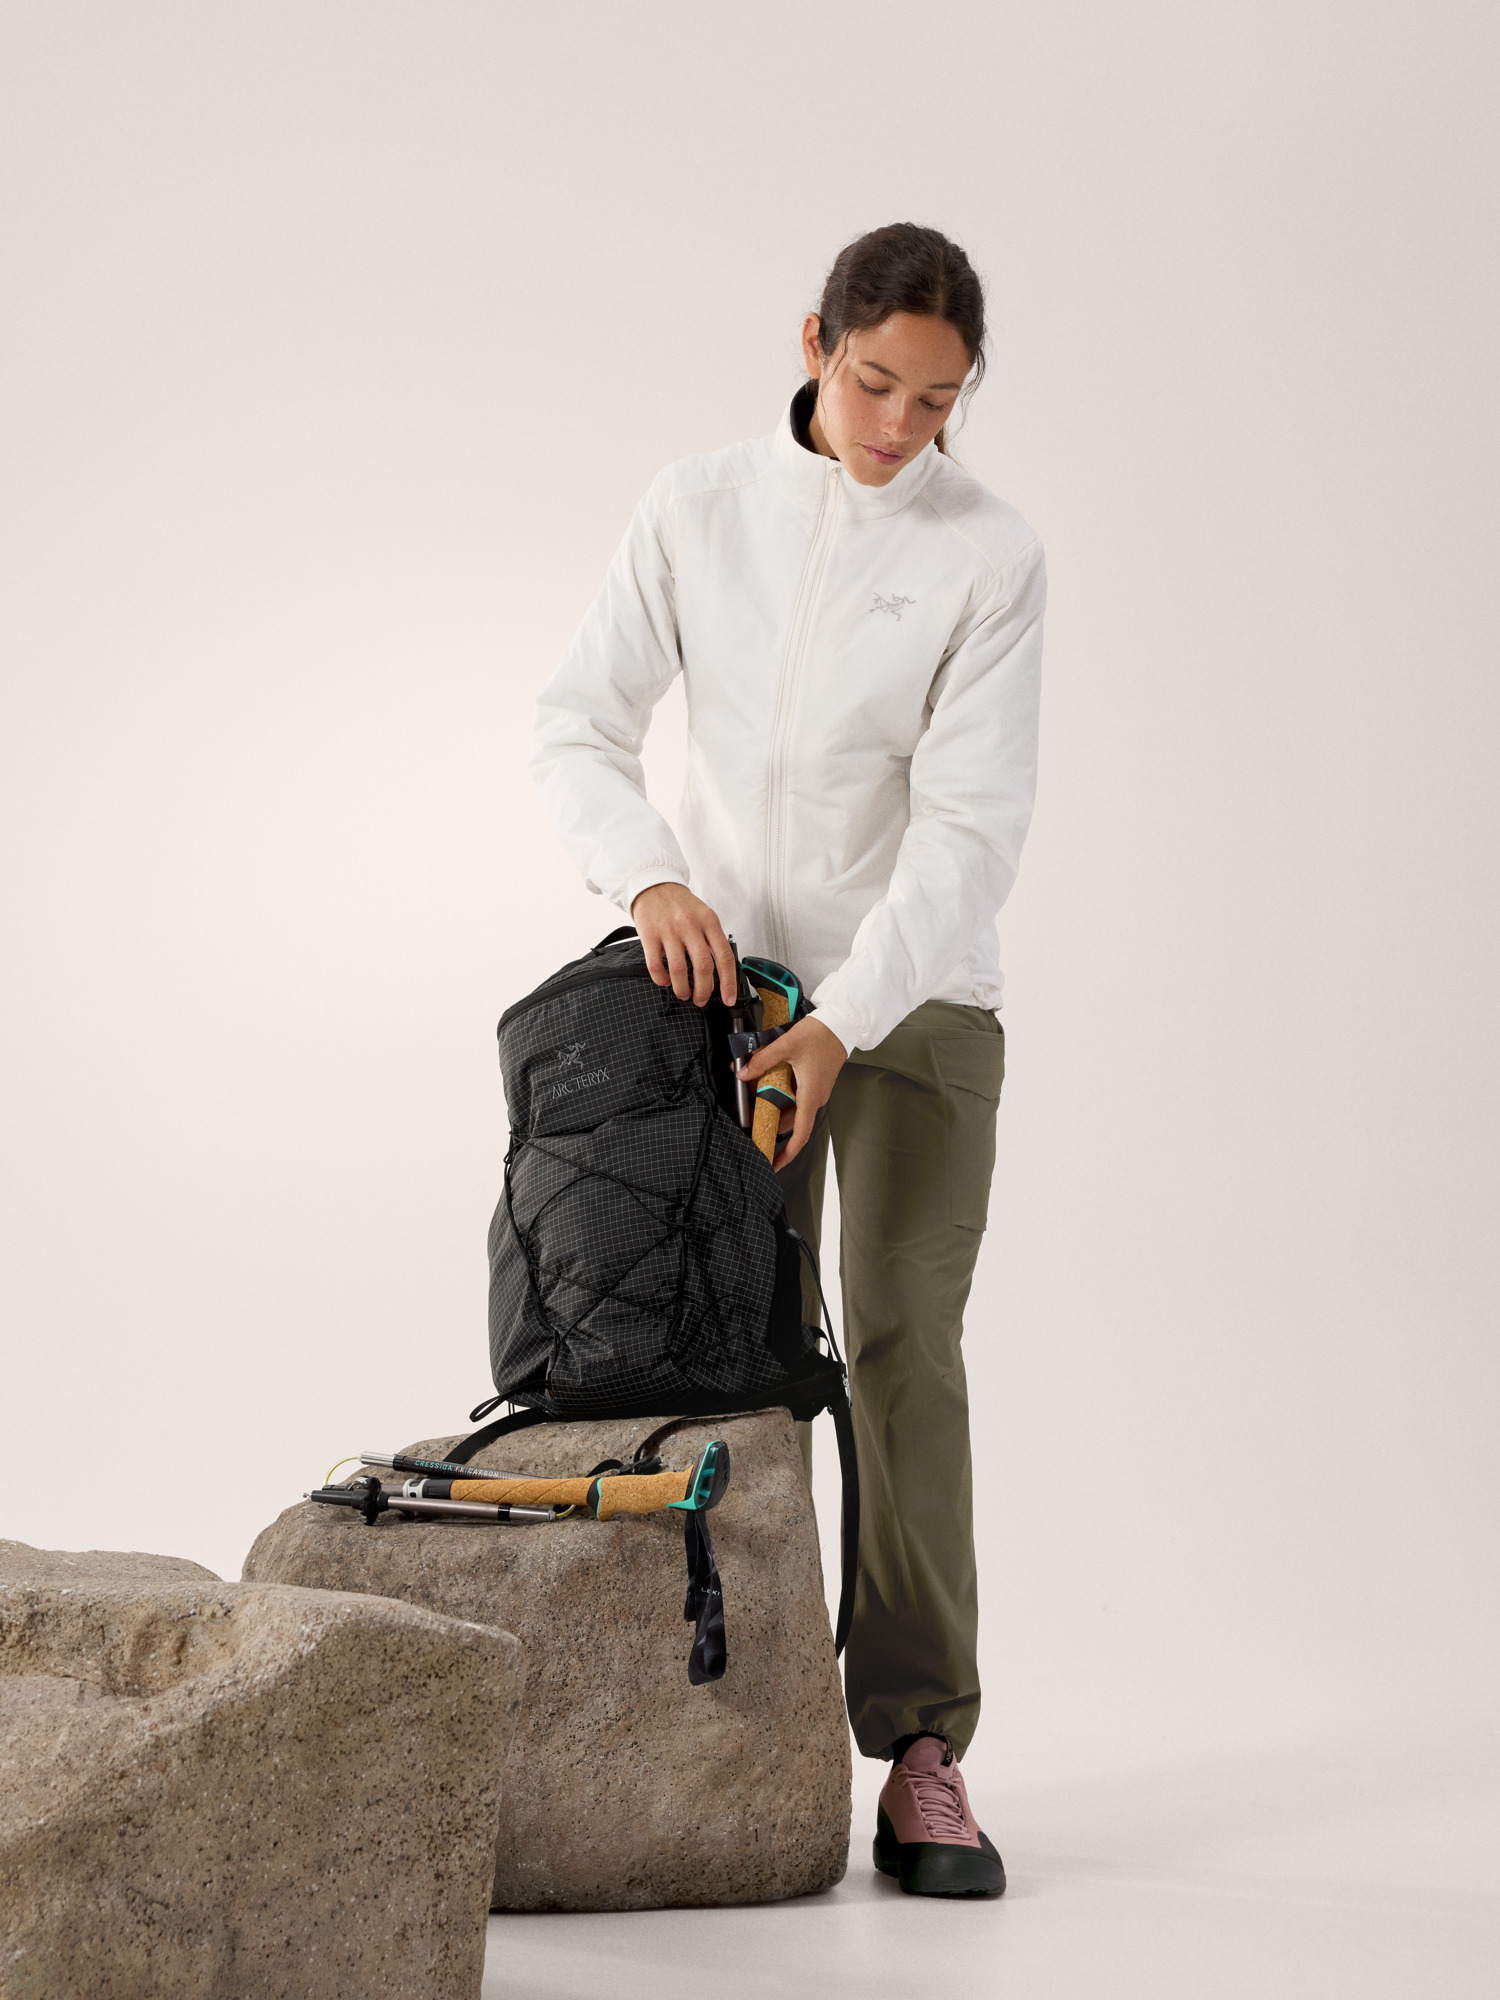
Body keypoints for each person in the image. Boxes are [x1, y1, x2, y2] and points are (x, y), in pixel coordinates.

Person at [531, 222, 1044, 1900]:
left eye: (938, 401)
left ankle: (921, 1747)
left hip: (918, 1009)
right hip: (726, 999)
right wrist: (651, 879)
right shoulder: (696, 507)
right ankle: (726, 1721)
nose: (900, 427)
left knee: (897, 1343)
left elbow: (968, 832)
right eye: (876, 381)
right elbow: (576, 721)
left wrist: (844, 1019)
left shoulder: (990, 554)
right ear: (814, 341)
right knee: (721, 1342)